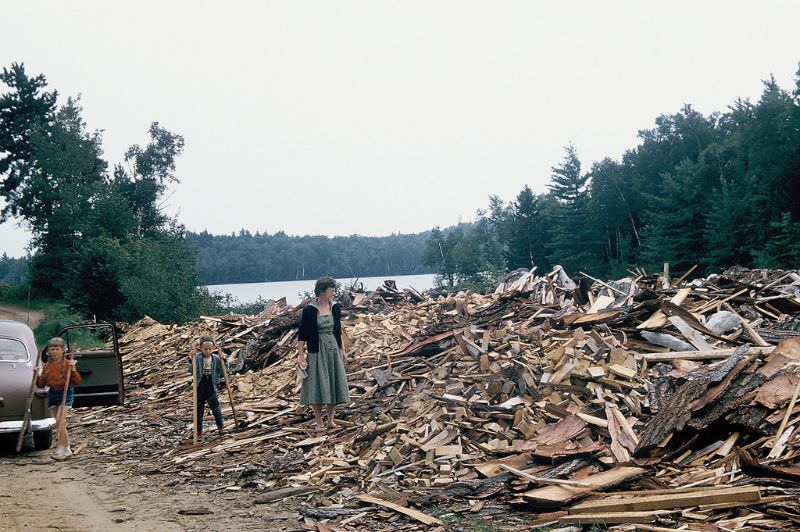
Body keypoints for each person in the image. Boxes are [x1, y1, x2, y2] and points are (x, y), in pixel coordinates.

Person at [297, 276, 350, 430]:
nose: (332, 293)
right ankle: (319, 421)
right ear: (321, 292)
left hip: (332, 348)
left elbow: (338, 330)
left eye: (333, 291)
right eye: (330, 291)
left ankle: (331, 420)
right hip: (316, 350)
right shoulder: (310, 310)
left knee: (333, 382)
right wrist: (301, 356)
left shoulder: (335, 307)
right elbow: (302, 334)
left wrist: (343, 350)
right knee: (317, 384)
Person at [36, 337, 81, 460]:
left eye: (57, 349)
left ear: (62, 350)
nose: (55, 351)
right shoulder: (47, 366)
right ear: (49, 351)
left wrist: (73, 369)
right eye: (52, 349)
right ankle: (65, 448)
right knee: (59, 423)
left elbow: (77, 381)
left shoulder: (67, 364)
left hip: (65, 393)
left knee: (60, 421)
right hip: (53, 394)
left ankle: (64, 447)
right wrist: (36, 375)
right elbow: (41, 384)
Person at [187, 335, 225, 441]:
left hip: (211, 385)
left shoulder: (216, 359)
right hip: (200, 386)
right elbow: (191, 370)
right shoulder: (197, 357)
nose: (207, 351)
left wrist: (224, 361)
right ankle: (199, 433)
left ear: (213, 349)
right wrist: (191, 360)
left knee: (216, 408)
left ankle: (221, 428)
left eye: (210, 349)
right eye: (205, 349)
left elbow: (223, 372)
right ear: (200, 348)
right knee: (199, 410)